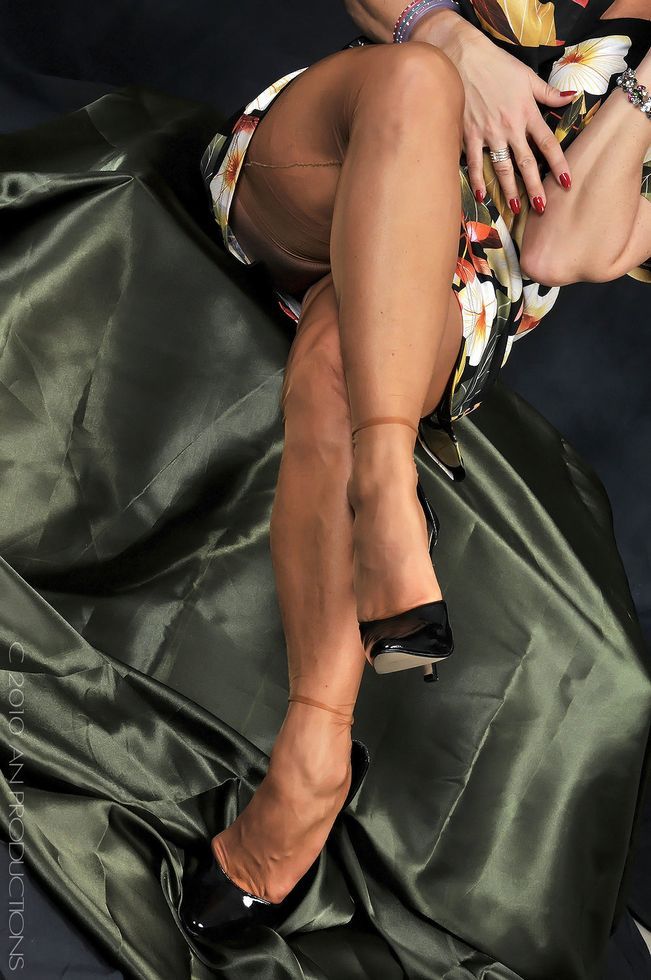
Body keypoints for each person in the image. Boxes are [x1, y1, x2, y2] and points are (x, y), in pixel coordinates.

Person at [178, 0, 651, 958]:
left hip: (461, 283)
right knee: (415, 80)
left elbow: (559, 247)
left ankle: (312, 761)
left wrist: (646, 89)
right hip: (346, 147)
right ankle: (388, 492)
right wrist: (450, 40)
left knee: (342, 365)